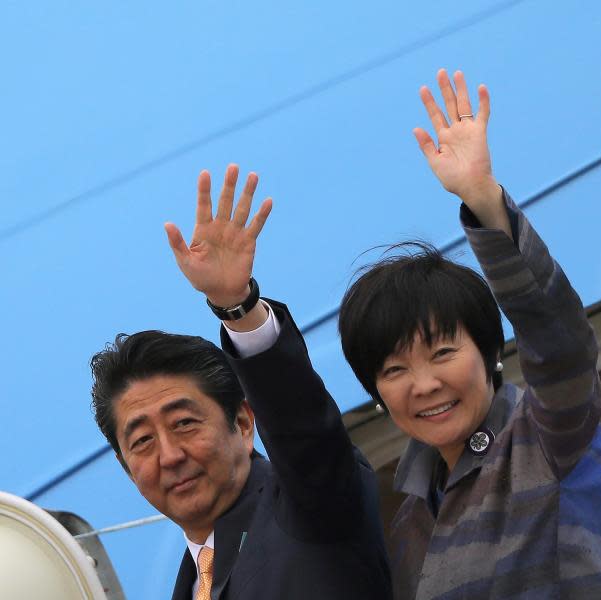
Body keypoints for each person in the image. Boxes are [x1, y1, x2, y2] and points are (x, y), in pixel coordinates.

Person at [338, 69, 601, 598]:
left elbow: (560, 340)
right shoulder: (411, 507)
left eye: (442, 352)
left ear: (489, 354)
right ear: (377, 394)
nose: (425, 383)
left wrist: (484, 201)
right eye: (394, 370)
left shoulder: (548, 435)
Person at [90, 165, 391, 599]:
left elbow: (304, 430)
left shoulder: (310, 506)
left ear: (244, 424)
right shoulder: (191, 582)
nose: (170, 456)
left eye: (184, 424)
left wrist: (237, 306)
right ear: (127, 469)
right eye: (141, 441)